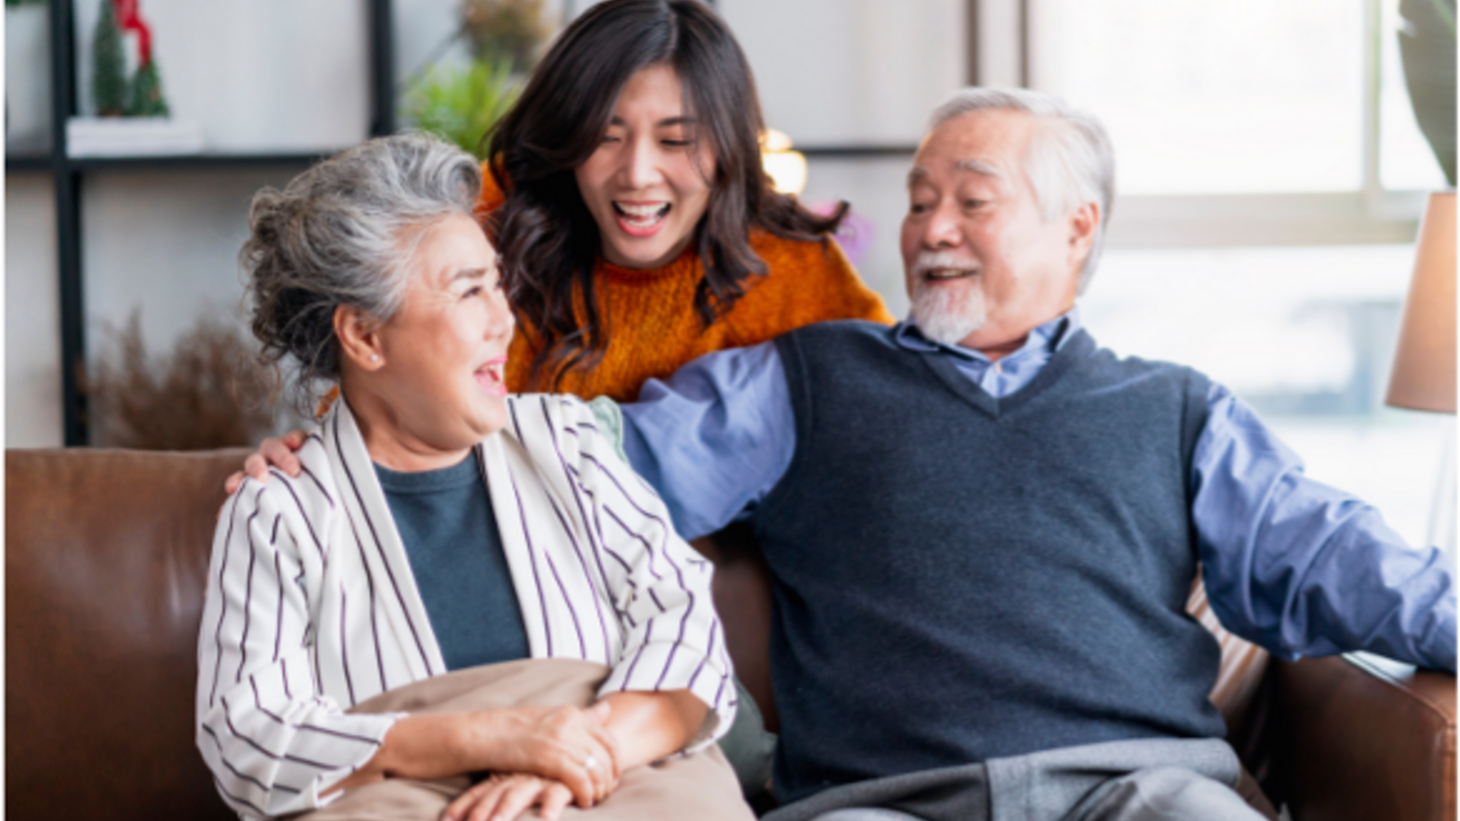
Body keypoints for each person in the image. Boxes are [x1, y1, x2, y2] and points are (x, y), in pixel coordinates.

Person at [237, 89, 1460, 820]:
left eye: (969, 200)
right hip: (879, 799)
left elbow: (1348, 565)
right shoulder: (807, 378)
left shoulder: (1176, 409)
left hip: (1137, 789)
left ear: (1074, 227)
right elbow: (565, 451)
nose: (927, 228)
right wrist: (338, 429)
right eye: (919, 197)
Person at [198, 133, 750, 821]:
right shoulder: (279, 511)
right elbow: (247, 739)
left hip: (617, 783)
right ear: (365, 337)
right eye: (469, 293)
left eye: (497, 284)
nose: (504, 320)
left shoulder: (569, 443)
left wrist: (578, 753)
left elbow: (685, 627)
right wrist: (491, 734)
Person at [480, 0, 893, 401]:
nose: (638, 174)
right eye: (605, 136)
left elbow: (897, 408)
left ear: (728, 149)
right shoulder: (488, 214)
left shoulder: (787, 265)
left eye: (676, 141)